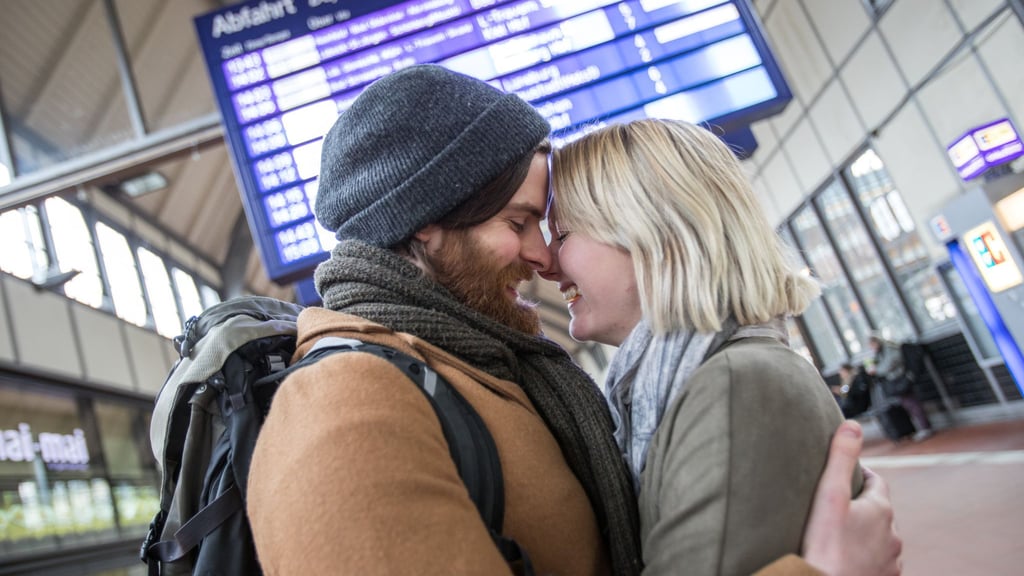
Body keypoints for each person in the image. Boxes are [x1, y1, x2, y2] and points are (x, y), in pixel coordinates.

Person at [246, 65, 900, 575]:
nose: (542, 256)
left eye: (554, 229)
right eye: (519, 222)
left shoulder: (476, 370)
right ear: (426, 225)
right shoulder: (346, 404)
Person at [543, 118, 877, 575]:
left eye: (562, 235)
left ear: (653, 229)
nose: (545, 263)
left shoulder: (733, 385)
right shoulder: (693, 381)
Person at [867, 333, 933, 440]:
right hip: (896, 380)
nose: (871, 348)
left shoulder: (889, 349)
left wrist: (876, 370)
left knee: (912, 403)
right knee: (908, 404)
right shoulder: (881, 352)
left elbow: (889, 365)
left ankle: (925, 427)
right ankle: (922, 427)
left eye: (871, 345)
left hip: (901, 379)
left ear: (876, 342)